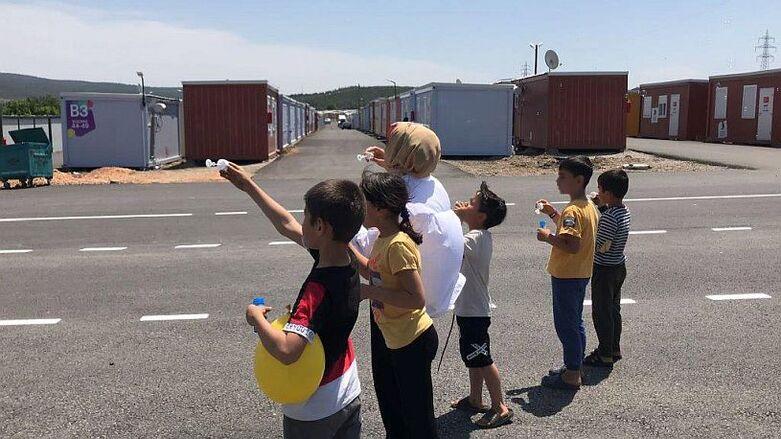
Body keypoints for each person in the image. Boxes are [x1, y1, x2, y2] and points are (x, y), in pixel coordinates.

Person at [221, 162, 365, 439]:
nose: (300, 223)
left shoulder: (317, 291)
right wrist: (249, 186)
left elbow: (288, 351)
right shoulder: (346, 257)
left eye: (306, 218)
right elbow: (285, 223)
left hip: (315, 406)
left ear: (321, 227)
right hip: (347, 389)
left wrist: (256, 318)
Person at [354, 171, 439, 438]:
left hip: (412, 341)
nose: (360, 208)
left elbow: (416, 299)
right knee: (398, 410)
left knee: (418, 419)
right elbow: (372, 271)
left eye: (363, 202)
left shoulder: (398, 245)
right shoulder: (382, 239)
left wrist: (367, 292)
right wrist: (344, 244)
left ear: (380, 208)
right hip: (397, 339)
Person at [358, 122, 465, 318]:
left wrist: (340, 231)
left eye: (393, 146)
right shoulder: (432, 183)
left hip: (401, 310)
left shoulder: (406, 209)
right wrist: (391, 163)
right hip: (434, 300)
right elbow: (410, 177)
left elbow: (370, 257)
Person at [450, 182, 513, 429]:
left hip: (474, 312)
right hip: (470, 310)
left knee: (482, 357)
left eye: (472, 203)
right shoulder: (478, 235)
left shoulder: (475, 238)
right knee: (472, 355)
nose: (466, 204)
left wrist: (455, 218)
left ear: (481, 216)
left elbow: (451, 245)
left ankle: (500, 406)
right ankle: (476, 398)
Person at [536, 156, 599, 391]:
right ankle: (576, 365)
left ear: (579, 180)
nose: (557, 180)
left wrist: (547, 237)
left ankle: (572, 375)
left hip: (567, 274)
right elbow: (572, 230)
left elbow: (571, 244)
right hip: (581, 272)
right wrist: (553, 214)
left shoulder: (573, 210)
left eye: (563, 176)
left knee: (565, 324)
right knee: (575, 322)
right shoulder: (587, 206)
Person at [584, 169, 631, 368]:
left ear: (609, 194)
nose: (598, 193)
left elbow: (602, 245)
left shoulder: (609, 217)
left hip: (604, 269)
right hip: (619, 266)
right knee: (613, 310)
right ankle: (613, 348)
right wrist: (601, 207)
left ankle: (604, 354)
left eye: (600, 190)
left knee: (601, 313)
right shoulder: (623, 211)